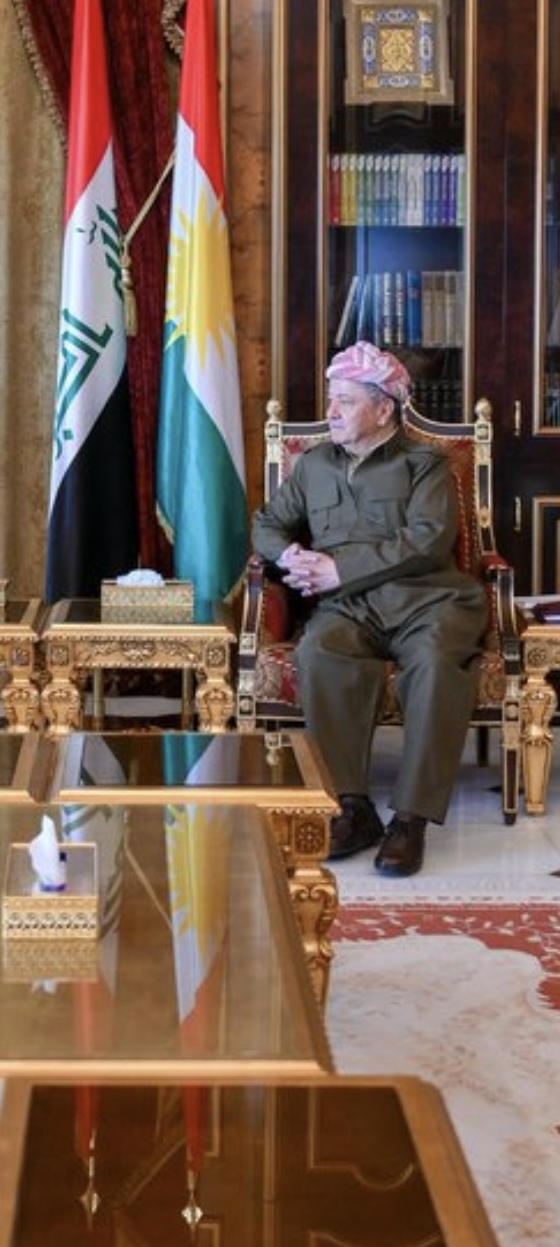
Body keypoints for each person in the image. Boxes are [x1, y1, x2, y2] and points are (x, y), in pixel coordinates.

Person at [251, 340, 487, 877]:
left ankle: (410, 818)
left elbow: (428, 540)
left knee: (435, 664)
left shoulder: (426, 464)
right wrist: (289, 556)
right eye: (331, 399)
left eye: (346, 401)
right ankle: (352, 808)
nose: (330, 412)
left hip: (429, 602)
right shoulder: (314, 465)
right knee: (321, 649)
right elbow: (267, 523)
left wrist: (339, 569)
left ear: (383, 410)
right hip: (350, 608)